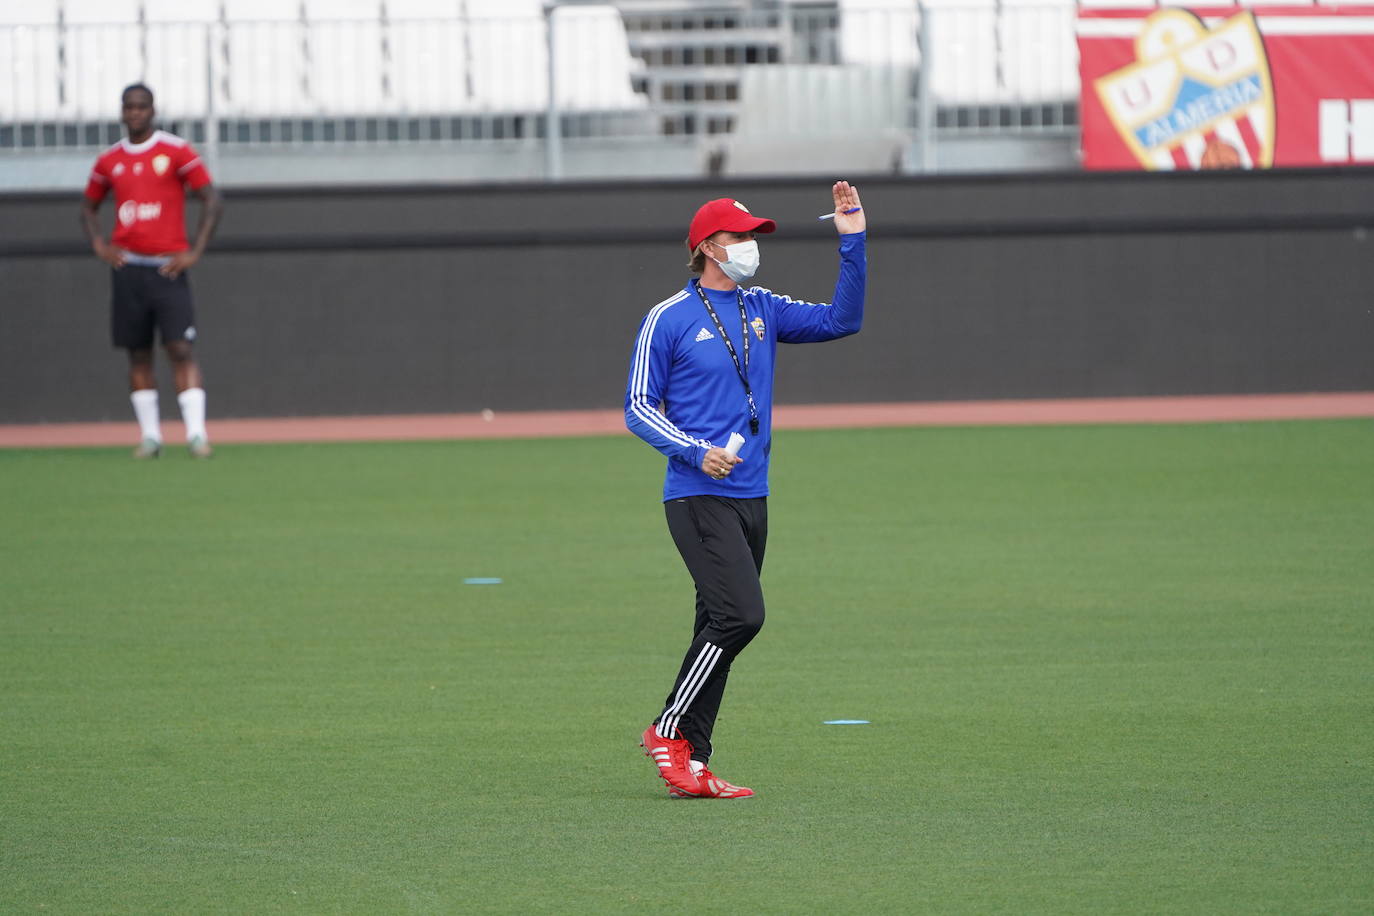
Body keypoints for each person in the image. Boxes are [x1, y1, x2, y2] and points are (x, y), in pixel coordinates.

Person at [625, 182, 867, 799]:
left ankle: (694, 763)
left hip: (753, 495)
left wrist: (853, 240)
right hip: (695, 493)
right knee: (741, 616)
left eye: (754, 237)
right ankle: (668, 729)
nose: (751, 246)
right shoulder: (668, 317)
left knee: (716, 624)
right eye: (739, 237)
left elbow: (844, 320)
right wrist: (692, 451)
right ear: (707, 246)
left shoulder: (763, 306)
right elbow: (636, 407)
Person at [81, 83, 223, 459]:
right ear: (122, 111)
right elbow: (88, 207)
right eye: (129, 107)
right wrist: (100, 245)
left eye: (141, 107)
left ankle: (196, 435)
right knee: (137, 353)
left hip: (168, 268)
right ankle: (151, 438)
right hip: (128, 269)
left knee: (180, 347)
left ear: (153, 110)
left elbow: (211, 199)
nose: (135, 113)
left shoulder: (175, 151)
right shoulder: (110, 160)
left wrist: (194, 251)